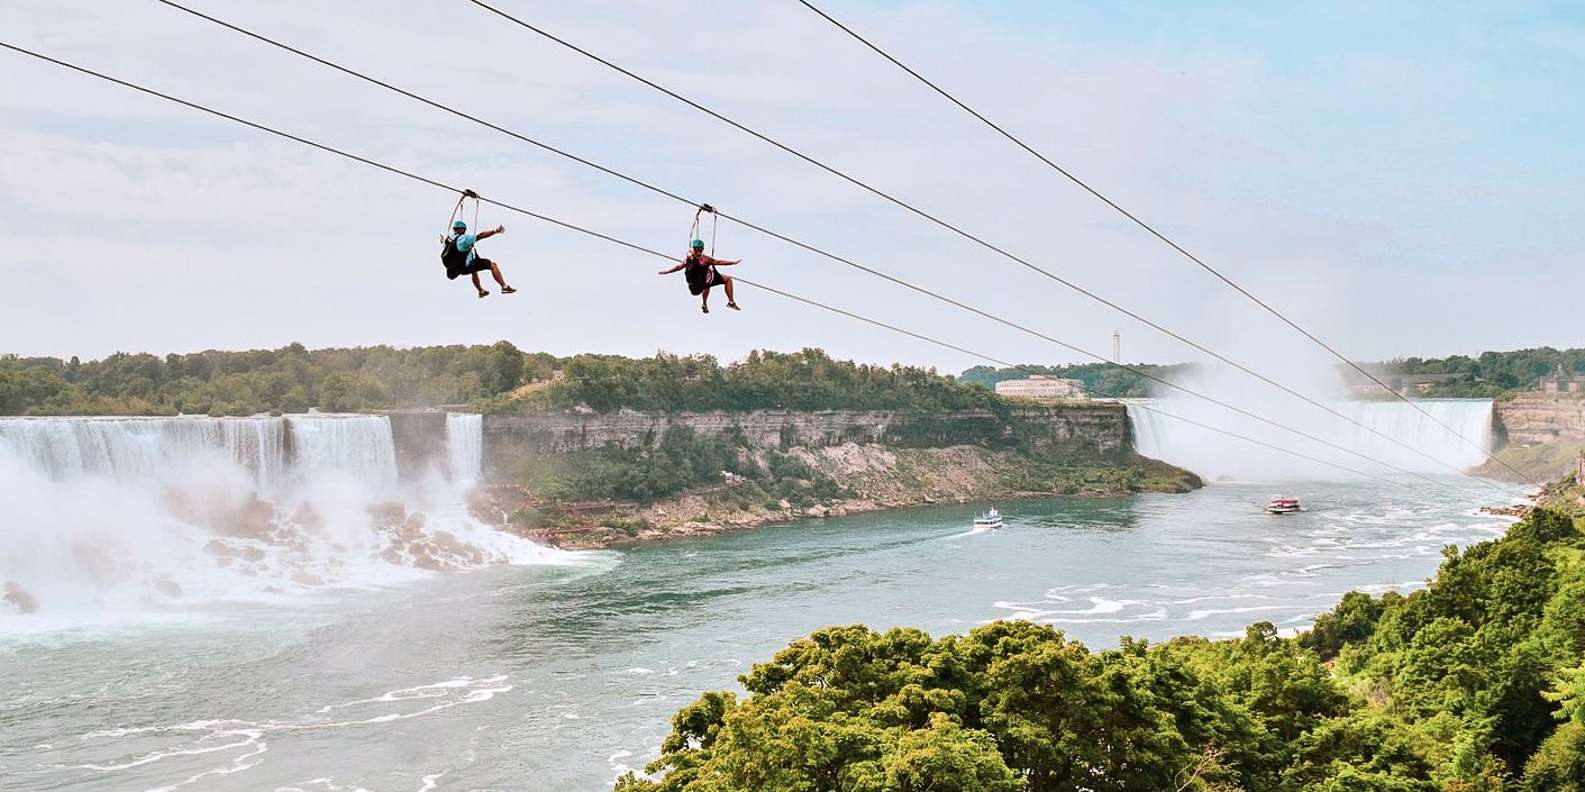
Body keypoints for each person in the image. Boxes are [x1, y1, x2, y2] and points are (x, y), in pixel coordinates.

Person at [443, 218, 516, 299]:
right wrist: (495, 231)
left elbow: (444, 244)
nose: (464, 231)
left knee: (474, 268)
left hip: (459, 267)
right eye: (464, 229)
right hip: (464, 266)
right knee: (492, 265)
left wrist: (442, 239)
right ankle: (504, 286)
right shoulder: (463, 238)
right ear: (460, 229)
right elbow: (480, 236)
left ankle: (481, 291)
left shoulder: (449, 239)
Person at [659, 239, 740, 313]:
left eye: (699, 250)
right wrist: (667, 272)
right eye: (697, 250)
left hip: (697, 285)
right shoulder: (702, 259)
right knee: (712, 282)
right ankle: (727, 302)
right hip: (698, 283)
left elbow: (679, 267)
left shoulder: (690, 258)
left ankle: (726, 302)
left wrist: (667, 272)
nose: (698, 251)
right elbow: (719, 262)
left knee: (722, 280)